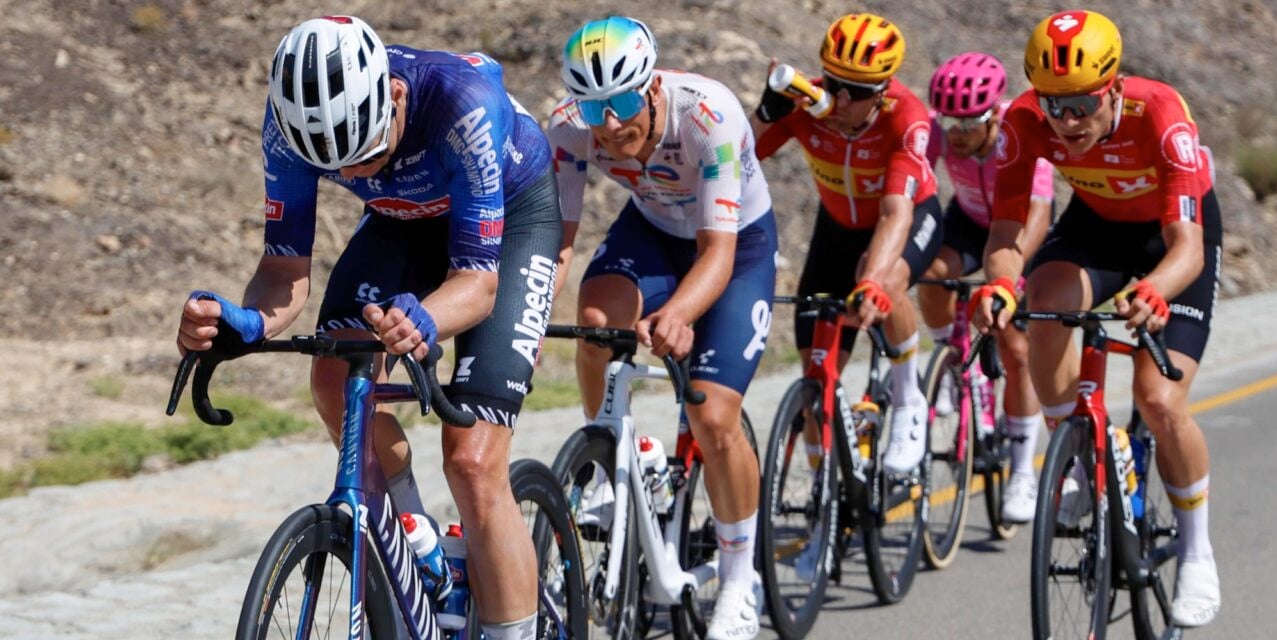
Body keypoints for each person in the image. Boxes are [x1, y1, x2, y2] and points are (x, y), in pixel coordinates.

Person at [175, 16, 561, 639]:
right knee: (334, 379)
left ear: (395, 96)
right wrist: (243, 323)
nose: (355, 176)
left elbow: (479, 284)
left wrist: (426, 319)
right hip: (402, 220)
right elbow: (282, 272)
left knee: (472, 459)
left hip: (509, 221)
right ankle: (417, 540)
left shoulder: (462, 104)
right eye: (339, 170)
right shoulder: (288, 127)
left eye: (369, 156)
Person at [972, 9, 1222, 627]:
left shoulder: (1160, 114)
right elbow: (1006, 228)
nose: (1069, 121)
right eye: (1055, 106)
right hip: (1096, 227)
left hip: (1172, 237)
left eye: (1083, 104)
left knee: (1159, 400)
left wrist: (1160, 289)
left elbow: (1186, 246)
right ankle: (1084, 454)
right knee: (1044, 295)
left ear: (1112, 89)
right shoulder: (1024, 121)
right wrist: (1000, 283)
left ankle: (1197, 553)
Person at [548, 16, 776, 639]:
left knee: (711, 414)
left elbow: (719, 255)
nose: (611, 123)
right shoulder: (570, 131)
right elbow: (558, 241)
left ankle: (736, 579)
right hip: (651, 230)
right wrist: (533, 303)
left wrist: (677, 314)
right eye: (595, 108)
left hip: (735, 245)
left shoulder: (710, 116)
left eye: (623, 102)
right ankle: (606, 463)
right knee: (595, 325)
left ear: (651, 89)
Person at [752, 13, 942, 475]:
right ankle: (827, 504)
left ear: (881, 92)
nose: (837, 99)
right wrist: (764, 114)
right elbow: (736, 157)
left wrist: (874, 281)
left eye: (854, 92)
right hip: (835, 226)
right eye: (833, 82)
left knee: (882, 280)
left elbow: (896, 214)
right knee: (816, 371)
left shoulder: (906, 119)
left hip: (907, 215)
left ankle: (908, 397)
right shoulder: (804, 103)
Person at [919, 51, 1055, 523]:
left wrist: (1010, 277)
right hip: (971, 220)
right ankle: (951, 364)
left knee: (1017, 351)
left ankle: (1022, 469)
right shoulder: (944, 132)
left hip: (1021, 230)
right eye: (948, 123)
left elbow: (1037, 214)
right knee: (931, 274)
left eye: (967, 125)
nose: (955, 134)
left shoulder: (1017, 137)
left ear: (994, 114)